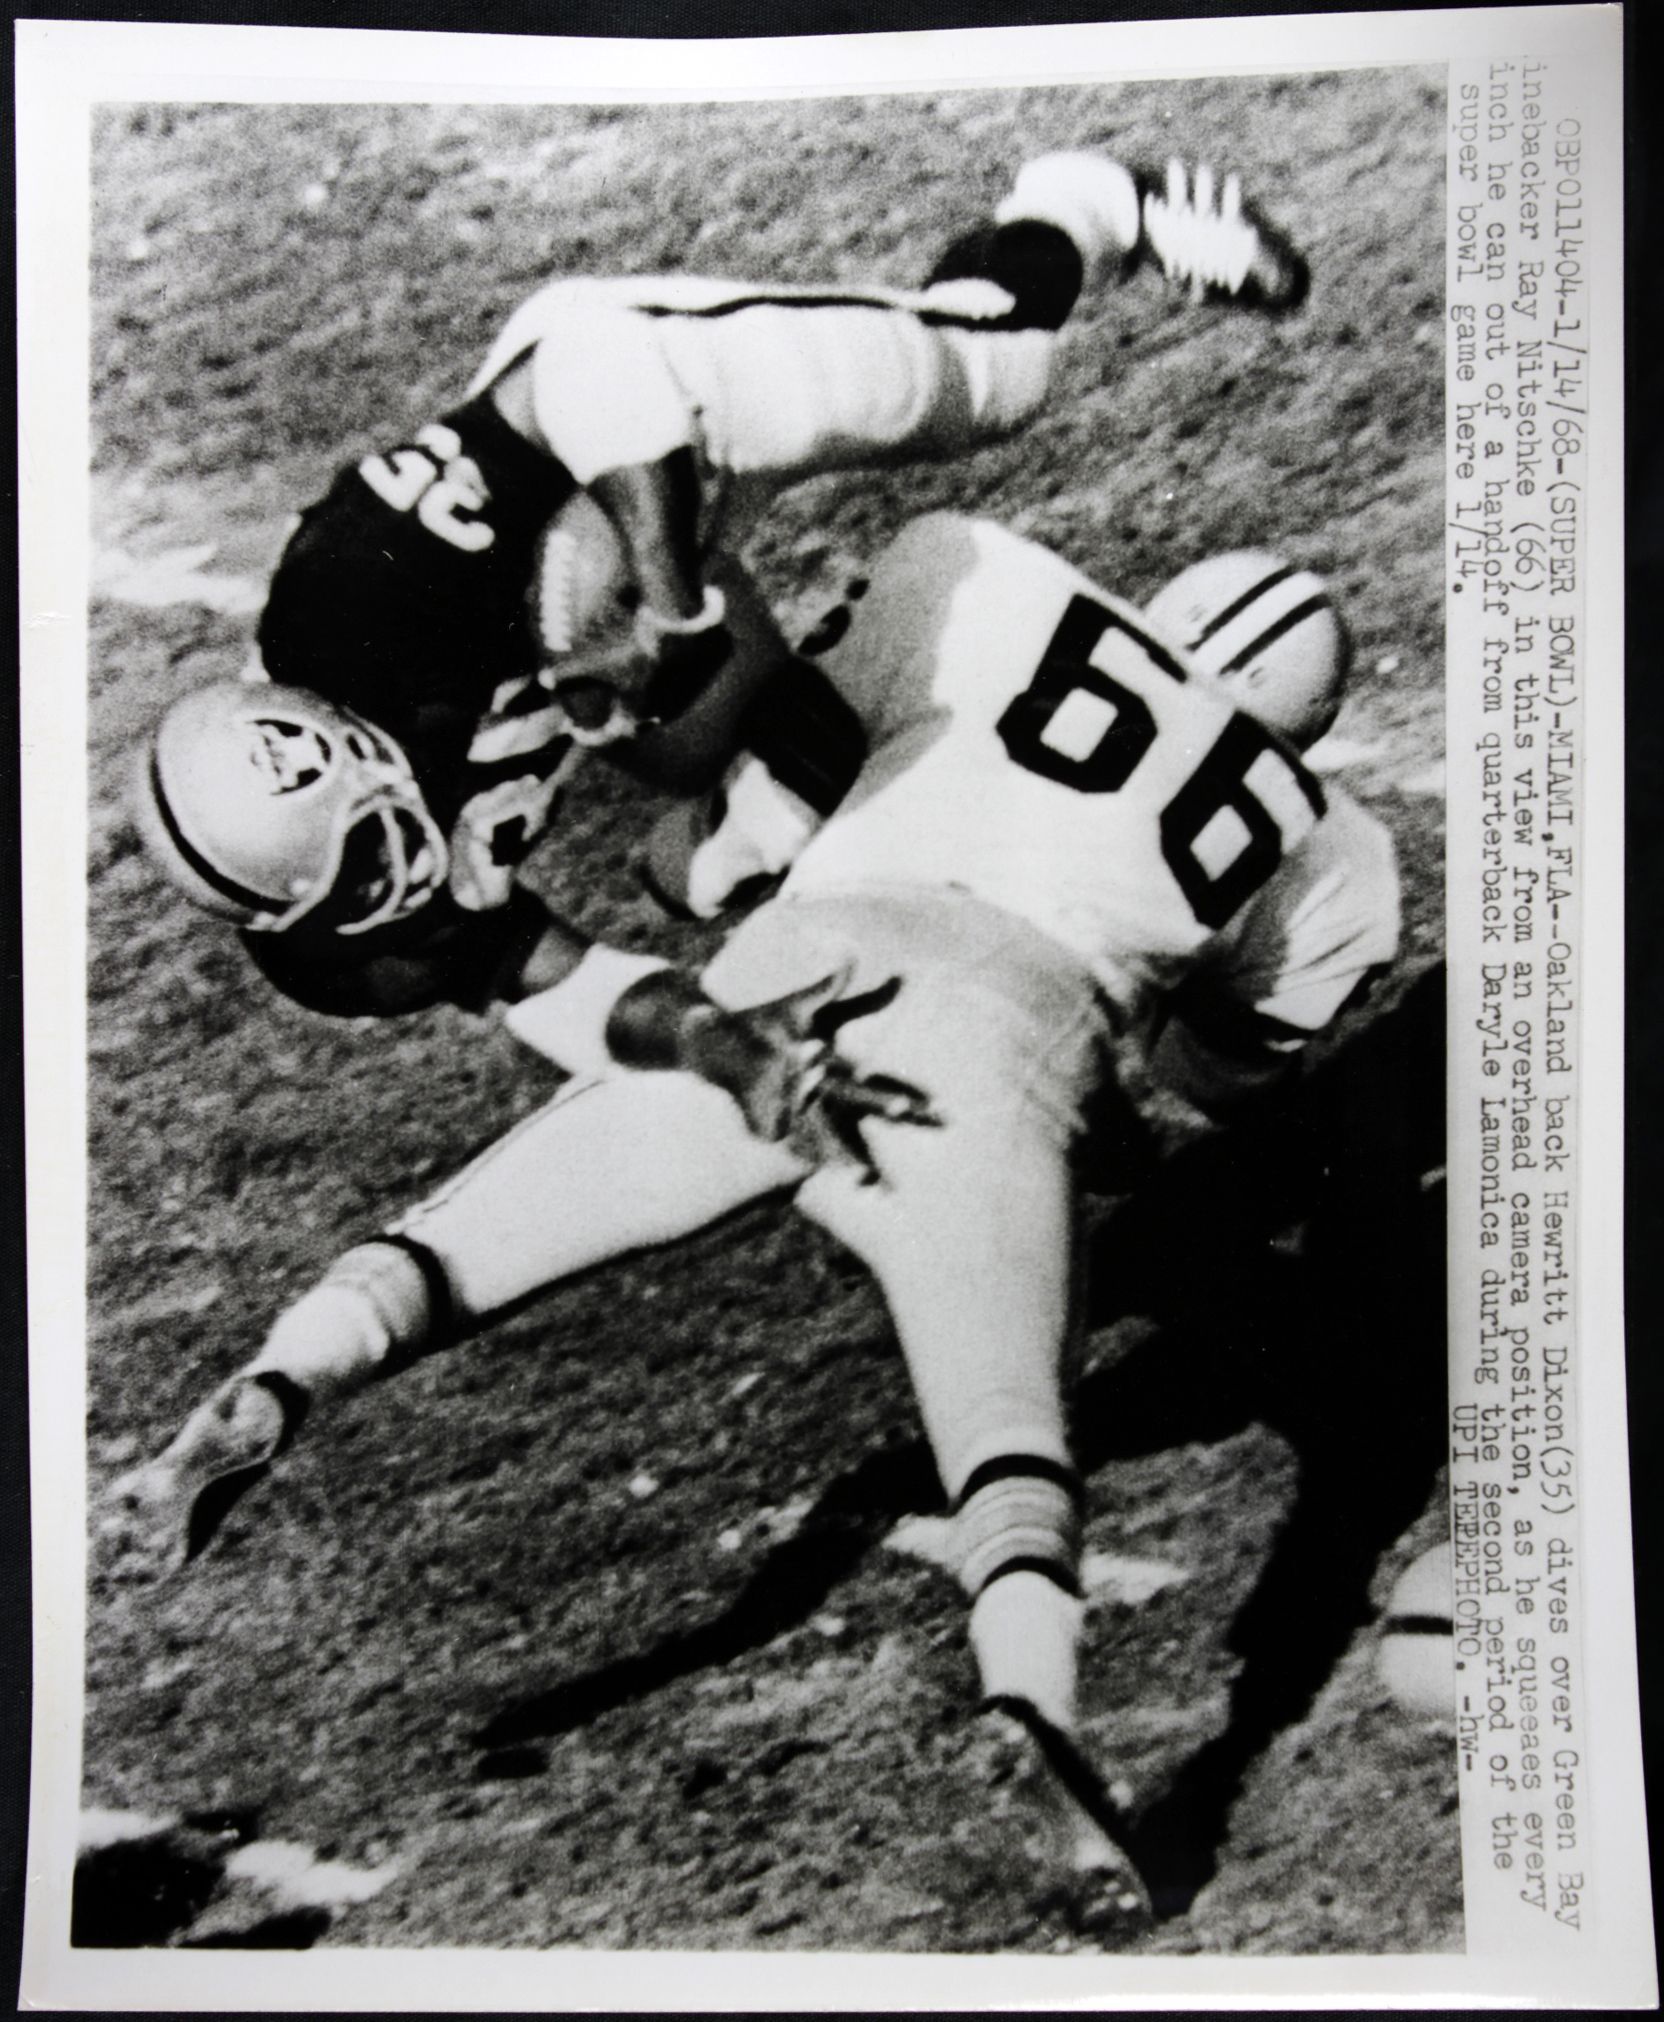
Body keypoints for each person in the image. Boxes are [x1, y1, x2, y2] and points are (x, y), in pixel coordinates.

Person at [103, 513, 1395, 1931]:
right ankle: (1038, 1700)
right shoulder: (1328, 849)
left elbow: (745, 815)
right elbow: (1212, 1076)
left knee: (470, 1242)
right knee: (1007, 1416)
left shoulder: (987, 576)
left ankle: (286, 1377)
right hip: (1011, 1032)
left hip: (799, 980)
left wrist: (690, 862)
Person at [131, 156, 1307, 1021]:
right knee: (700, 752)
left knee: (1003, 369)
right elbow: (518, 977)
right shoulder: (338, 941)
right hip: (601, 584)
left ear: (340, 744)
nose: (394, 884)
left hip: (655, 407)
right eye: (348, 890)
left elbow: (584, 372)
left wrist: (666, 599)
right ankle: (760, 715)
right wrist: (710, 1045)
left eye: (366, 858)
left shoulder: (361, 598)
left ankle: (1094, 202)